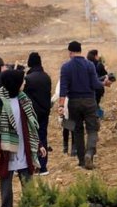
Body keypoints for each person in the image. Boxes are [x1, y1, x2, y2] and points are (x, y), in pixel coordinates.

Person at [0, 69, 46, 207]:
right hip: (7, 150)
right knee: (6, 186)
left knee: (28, 184)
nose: (25, 83)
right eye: (22, 80)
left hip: (24, 148)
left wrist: (39, 144)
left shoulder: (24, 99)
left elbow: (32, 124)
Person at [58, 41, 102, 170]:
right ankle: (89, 154)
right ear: (80, 51)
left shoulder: (66, 67)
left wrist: (61, 106)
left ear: (70, 52)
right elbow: (95, 84)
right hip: (89, 101)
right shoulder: (89, 65)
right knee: (92, 129)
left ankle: (82, 161)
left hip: (74, 103)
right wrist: (104, 83)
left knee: (77, 131)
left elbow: (63, 89)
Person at [24, 52, 52, 175]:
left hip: (31, 113)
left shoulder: (28, 79)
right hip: (44, 112)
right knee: (42, 137)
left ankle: (31, 165)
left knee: (30, 138)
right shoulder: (46, 77)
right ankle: (43, 166)